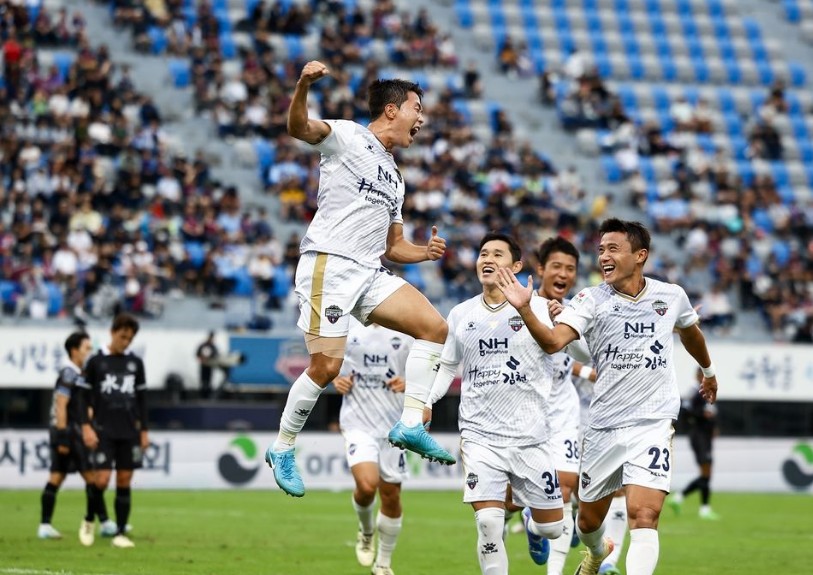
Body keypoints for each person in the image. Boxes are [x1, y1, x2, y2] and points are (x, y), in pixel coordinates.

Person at [265, 60, 453, 499]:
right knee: (326, 368)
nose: (421, 119)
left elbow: (394, 246)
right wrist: (303, 85)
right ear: (391, 110)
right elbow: (298, 128)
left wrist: (423, 253)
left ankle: (409, 423)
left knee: (435, 328)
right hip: (329, 264)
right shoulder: (348, 136)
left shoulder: (396, 177)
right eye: (417, 108)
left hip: (369, 271)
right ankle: (283, 446)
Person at [495, 218, 718, 575]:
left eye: (613, 248)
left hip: (652, 422)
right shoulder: (589, 299)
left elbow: (691, 332)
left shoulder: (671, 296)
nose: (604, 257)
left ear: (640, 255)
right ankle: (598, 553)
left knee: (644, 514)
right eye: (601, 250)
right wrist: (524, 307)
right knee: (586, 523)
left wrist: (708, 371)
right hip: (603, 428)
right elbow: (554, 343)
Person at [424, 232, 566, 575]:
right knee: (488, 522)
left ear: (516, 266)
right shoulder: (461, 314)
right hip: (480, 436)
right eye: (483, 253)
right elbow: (447, 366)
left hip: (530, 437)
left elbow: (571, 348)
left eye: (497, 254)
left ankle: (532, 524)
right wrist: (426, 401)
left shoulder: (540, 308)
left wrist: (557, 315)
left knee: (553, 528)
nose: (487, 259)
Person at [333, 320, 413, 575]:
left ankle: (383, 564)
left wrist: (411, 383)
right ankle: (367, 530)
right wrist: (336, 379)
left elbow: (431, 370)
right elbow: (328, 365)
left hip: (394, 426)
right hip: (358, 423)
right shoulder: (348, 328)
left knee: (391, 495)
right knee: (367, 486)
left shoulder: (406, 331)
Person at [82, 313, 148, 548]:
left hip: (129, 431)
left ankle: (120, 532)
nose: (125, 342)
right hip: (103, 430)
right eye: (123, 336)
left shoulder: (135, 364)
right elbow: (83, 398)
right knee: (101, 480)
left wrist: (144, 431)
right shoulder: (96, 362)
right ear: (112, 332)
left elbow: (142, 400)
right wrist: (86, 426)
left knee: (124, 479)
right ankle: (89, 520)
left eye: (130, 339)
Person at [38, 331, 102, 546]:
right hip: (69, 432)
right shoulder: (69, 373)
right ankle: (104, 521)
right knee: (91, 477)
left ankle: (45, 525)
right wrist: (63, 436)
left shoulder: (79, 374)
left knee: (57, 476)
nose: (90, 352)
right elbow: (61, 405)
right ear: (74, 350)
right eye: (87, 348)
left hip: (70, 431)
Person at [667, 367, 721, 520]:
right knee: (706, 472)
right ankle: (702, 508)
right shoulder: (695, 391)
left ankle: (683, 500)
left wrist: (713, 426)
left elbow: (711, 412)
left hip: (705, 436)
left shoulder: (707, 391)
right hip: (699, 436)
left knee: (706, 474)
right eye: (702, 374)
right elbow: (685, 411)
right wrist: (701, 417)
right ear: (698, 376)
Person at [196, 331, 218, 399]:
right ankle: (202, 395)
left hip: (210, 366)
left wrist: (210, 360)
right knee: (203, 380)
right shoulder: (203, 345)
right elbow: (197, 354)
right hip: (203, 366)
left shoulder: (213, 346)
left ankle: (207, 396)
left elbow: (216, 355)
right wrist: (202, 359)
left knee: (208, 381)